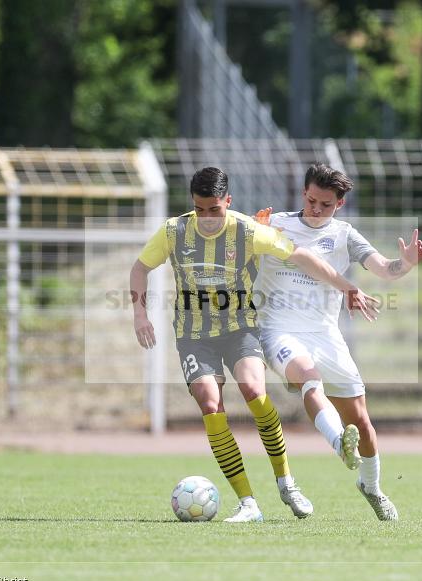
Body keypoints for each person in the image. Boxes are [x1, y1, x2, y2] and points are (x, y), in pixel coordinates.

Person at [130, 166, 378, 522]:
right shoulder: (173, 231)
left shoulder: (247, 229)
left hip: (239, 328)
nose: (207, 219)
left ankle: (286, 482)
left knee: (253, 391)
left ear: (228, 202)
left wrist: (348, 287)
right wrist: (140, 315)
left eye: (214, 209)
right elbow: (140, 268)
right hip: (194, 335)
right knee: (209, 403)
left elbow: (302, 257)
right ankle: (248, 503)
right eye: (199, 210)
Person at [254, 163, 422, 521]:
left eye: (325, 204)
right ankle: (338, 443)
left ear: (340, 204)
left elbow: (384, 268)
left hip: (325, 334)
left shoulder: (345, 234)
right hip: (278, 329)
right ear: (303, 194)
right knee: (307, 375)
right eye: (311, 200)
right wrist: (253, 235)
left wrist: (406, 264)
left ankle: (372, 486)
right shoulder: (274, 224)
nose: (316, 210)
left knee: (362, 422)